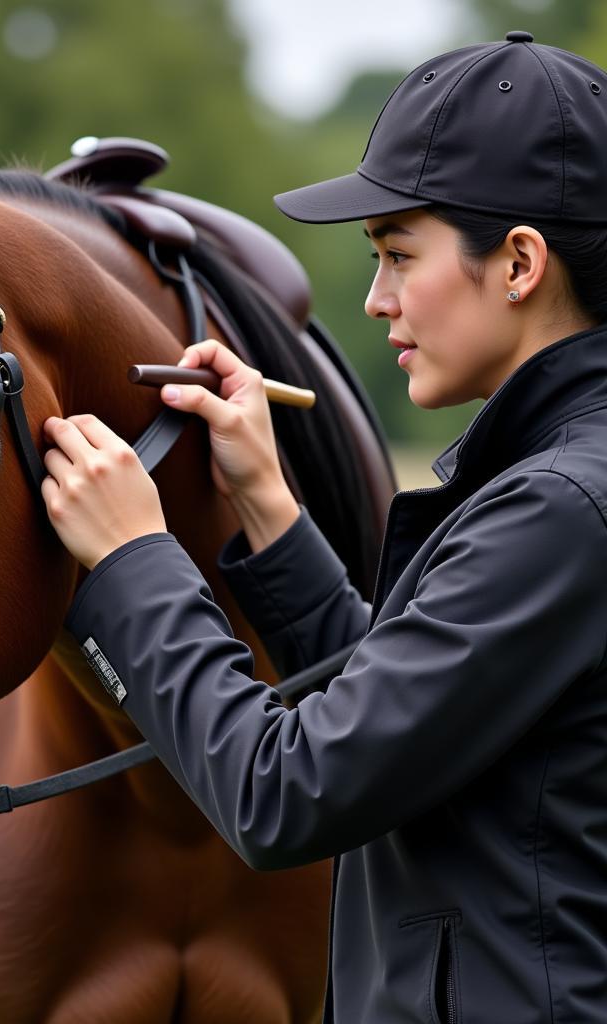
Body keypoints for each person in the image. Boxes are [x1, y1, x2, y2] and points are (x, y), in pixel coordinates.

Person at [40, 32, 607, 1024]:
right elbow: (403, 723)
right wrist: (268, 505)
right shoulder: (554, 483)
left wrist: (134, 564)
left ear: (518, 262)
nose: (377, 299)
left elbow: (288, 791)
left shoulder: (558, 509)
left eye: (397, 256)